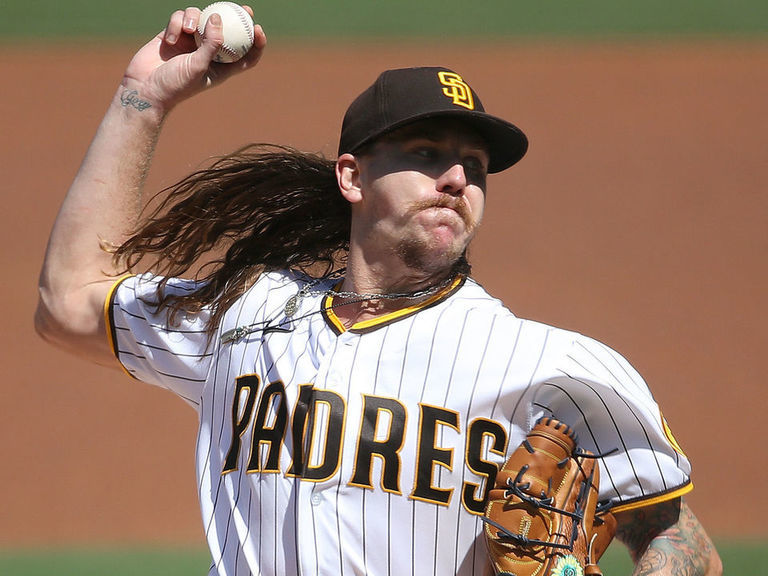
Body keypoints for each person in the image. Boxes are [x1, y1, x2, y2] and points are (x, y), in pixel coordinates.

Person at [35, 6, 722, 576]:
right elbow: (68, 302)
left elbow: (679, 540)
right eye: (426, 153)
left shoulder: (555, 368)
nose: (456, 177)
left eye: (474, 166)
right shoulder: (247, 316)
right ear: (352, 177)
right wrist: (144, 97)